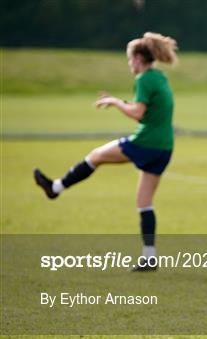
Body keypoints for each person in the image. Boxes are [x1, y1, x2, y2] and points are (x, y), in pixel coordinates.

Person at [33, 32, 177, 272]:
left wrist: (116, 102)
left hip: (146, 143)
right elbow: (147, 110)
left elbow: (138, 113)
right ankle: (149, 257)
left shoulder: (144, 79)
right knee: (144, 202)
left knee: (96, 156)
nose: (129, 63)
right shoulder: (158, 77)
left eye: (130, 59)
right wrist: (118, 101)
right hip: (164, 147)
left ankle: (55, 188)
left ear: (140, 58)